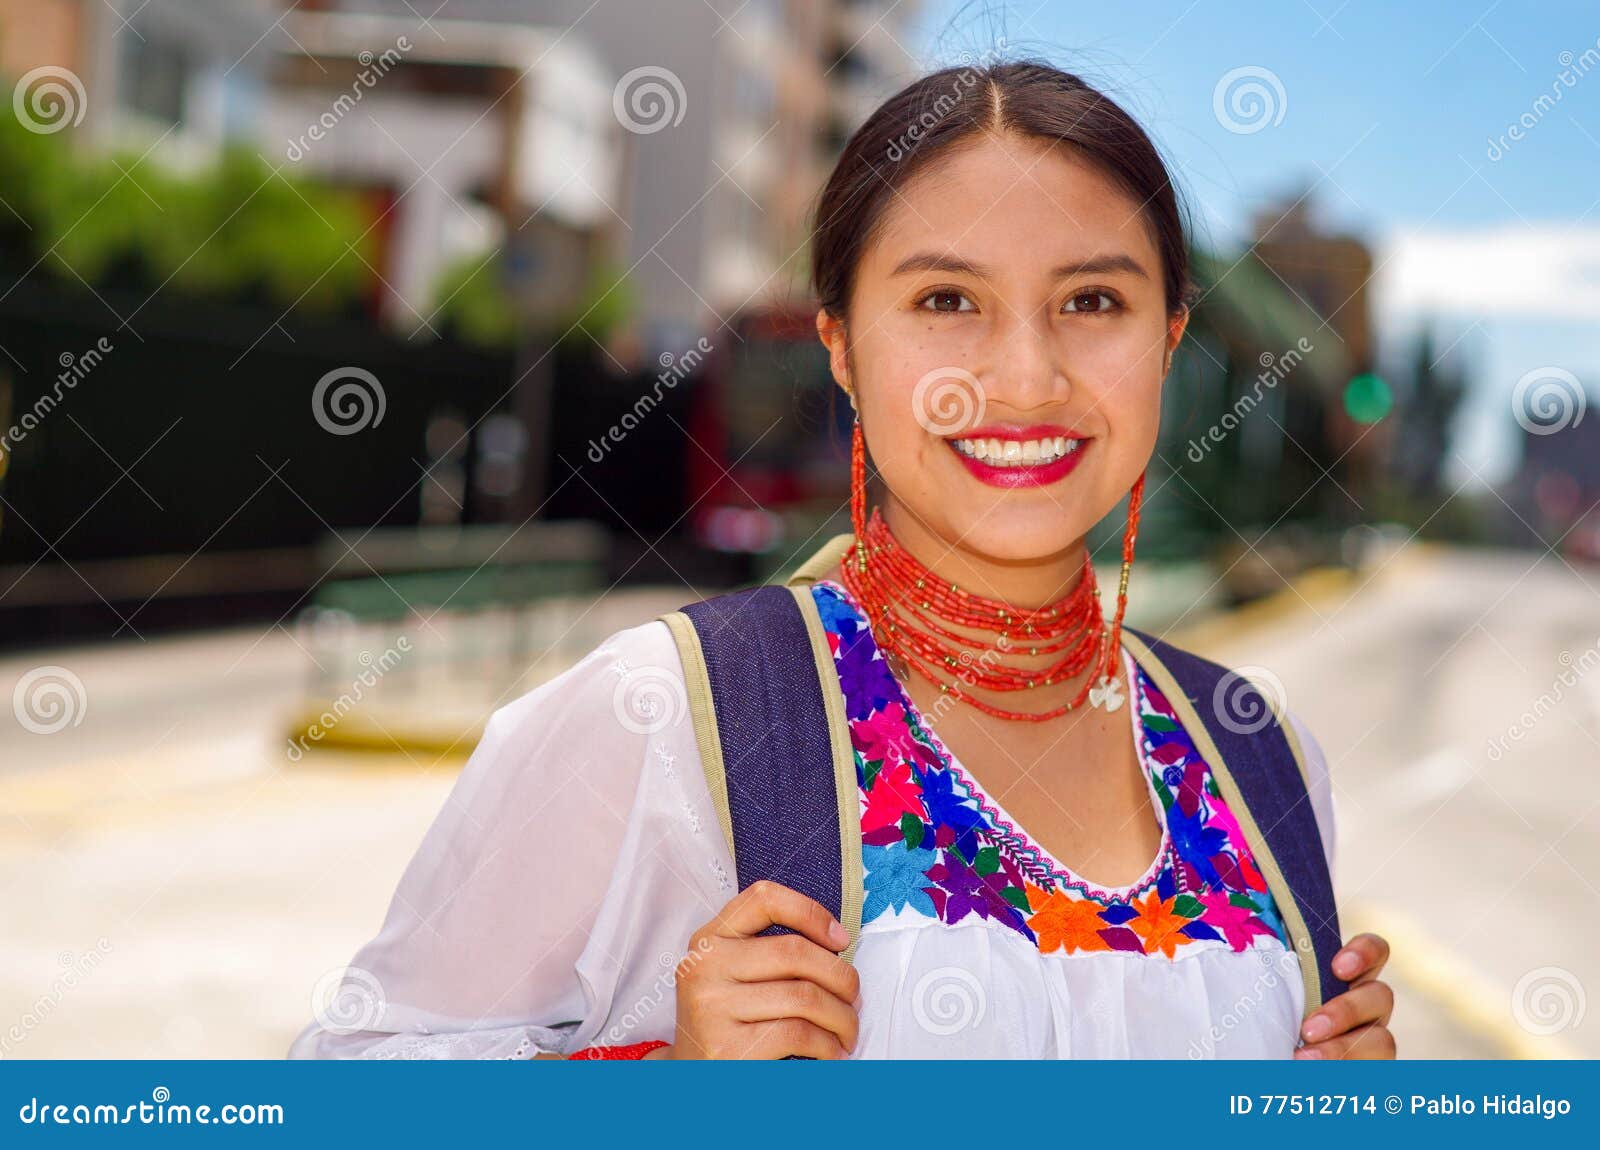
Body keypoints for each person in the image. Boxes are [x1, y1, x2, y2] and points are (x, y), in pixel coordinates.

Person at [289, 60, 1395, 1061]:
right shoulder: (669, 714)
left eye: (1092, 300)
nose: (1021, 377)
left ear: (1166, 338)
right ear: (843, 346)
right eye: (945, 300)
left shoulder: (1259, 759)